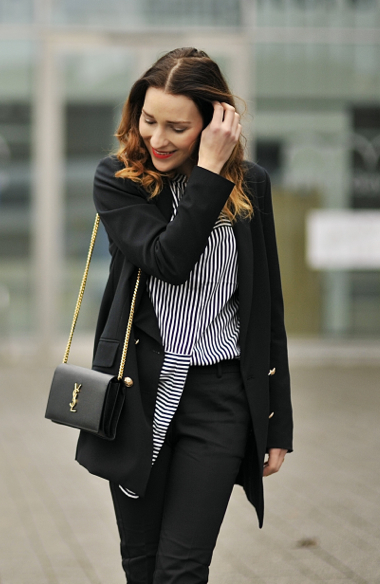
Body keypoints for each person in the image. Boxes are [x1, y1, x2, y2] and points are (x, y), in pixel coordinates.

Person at [74, 47, 293, 584]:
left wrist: (277, 421)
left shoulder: (251, 186)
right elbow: (168, 260)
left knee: (183, 570)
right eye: (149, 120)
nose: (158, 138)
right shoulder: (120, 180)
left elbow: (267, 310)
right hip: (139, 394)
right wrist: (209, 173)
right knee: (141, 563)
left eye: (177, 127)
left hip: (220, 400)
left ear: (215, 123)